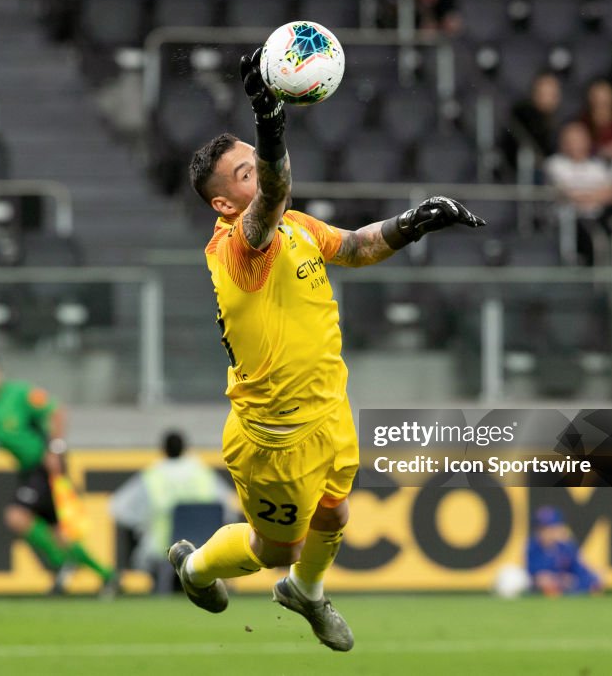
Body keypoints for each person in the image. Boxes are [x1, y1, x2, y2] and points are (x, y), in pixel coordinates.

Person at [169, 48, 486, 652]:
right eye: (244, 173)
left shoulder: (296, 228)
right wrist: (269, 121)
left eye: (252, 164)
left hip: (328, 408)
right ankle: (195, 570)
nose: (256, 177)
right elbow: (273, 193)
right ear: (223, 204)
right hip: (275, 434)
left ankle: (306, 594)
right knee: (274, 549)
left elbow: (358, 247)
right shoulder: (242, 246)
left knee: (336, 515)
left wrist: (416, 221)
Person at [0, 354, 115, 594]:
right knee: (60, 533)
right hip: (28, 471)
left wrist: (55, 448)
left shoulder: (19, 394)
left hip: (47, 464)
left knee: (17, 516)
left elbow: (57, 411)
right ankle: (108, 576)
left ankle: (61, 564)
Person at [109, 431, 233, 581]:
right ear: (185, 448)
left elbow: (119, 509)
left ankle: (127, 579)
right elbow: (227, 509)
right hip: (203, 548)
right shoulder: (202, 473)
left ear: (164, 450)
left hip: (163, 549)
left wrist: (143, 524)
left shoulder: (154, 475)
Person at [526, 506, 602, 596]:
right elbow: (536, 574)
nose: (547, 532)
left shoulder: (566, 547)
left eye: (551, 528)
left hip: (565, 587)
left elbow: (581, 572)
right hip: (537, 589)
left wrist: (568, 580)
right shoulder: (532, 547)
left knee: (594, 579)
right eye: (543, 529)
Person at [545, 122, 612, 221]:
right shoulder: (554, 164)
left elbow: (609, 193)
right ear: (562, 143)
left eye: (578, 140)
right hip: (563, 222)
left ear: (587, 141)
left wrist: (579, 197)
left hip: (595, 220)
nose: (574, 144)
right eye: (570, 140)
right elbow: (562, 192)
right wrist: (592, 196)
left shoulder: (598, 166)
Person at [502, 72, 562, 173]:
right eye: (542, 93)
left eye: (551, 94)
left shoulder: (565, 123)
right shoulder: (522, 119)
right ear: (534, 94)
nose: (546, 99)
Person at [580, 79, 612, 161]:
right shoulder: (583, 122)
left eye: (605, 97)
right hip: (592, 164)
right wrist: (601, 152)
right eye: (597, 97)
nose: (601, 101)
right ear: (590, 98)